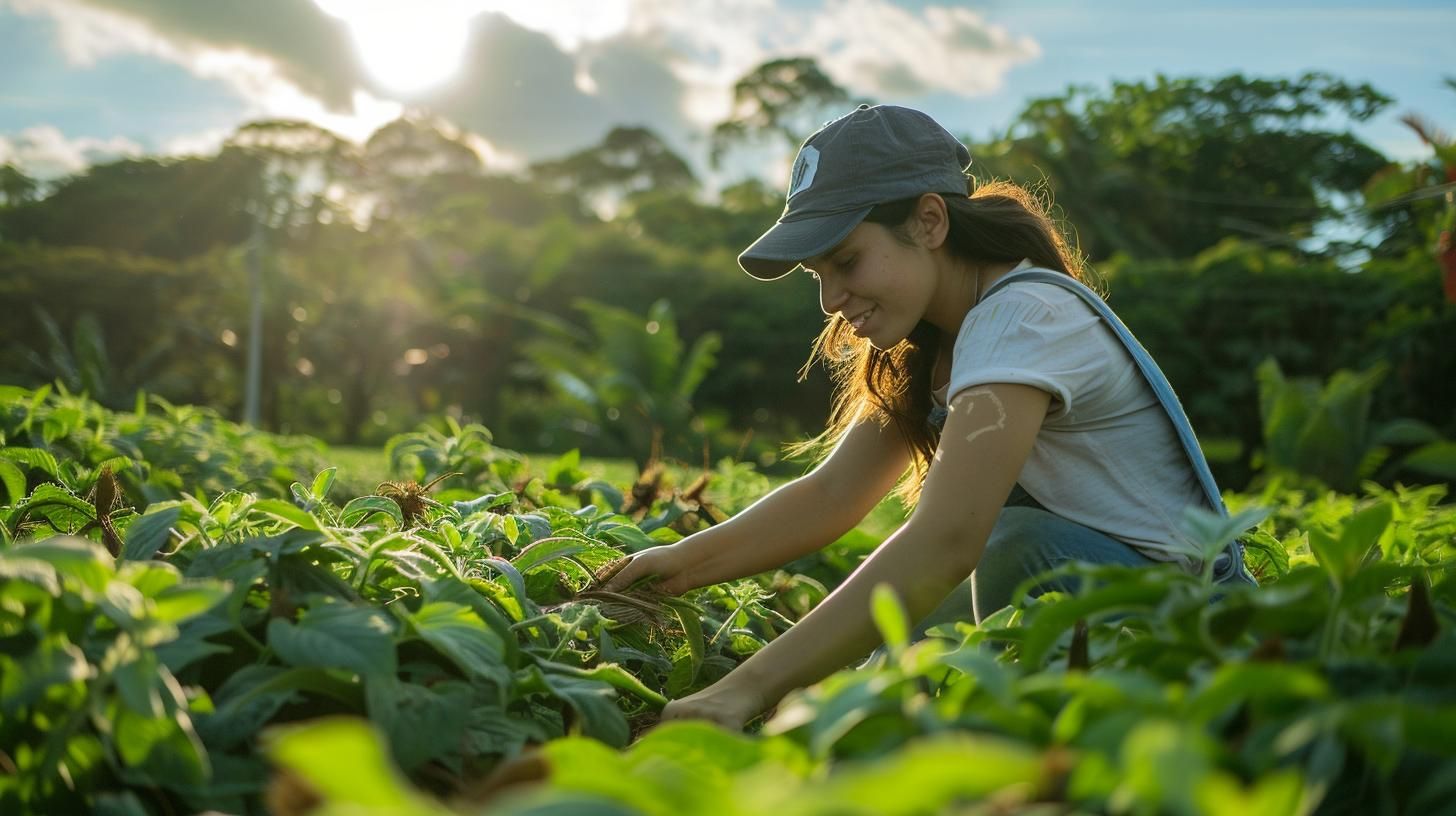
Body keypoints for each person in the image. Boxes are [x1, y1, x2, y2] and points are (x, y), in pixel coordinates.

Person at [599, 104, 1255, 730]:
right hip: (1112, 596)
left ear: (930, 222)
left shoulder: (1022, 316)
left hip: (1198, 629)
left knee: (1005, 546)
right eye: (816, 274)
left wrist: (740, 689)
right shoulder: (943, 341)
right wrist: (673, 567)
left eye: (847, 261)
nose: (832, 299)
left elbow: (950, 539)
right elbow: (832, 495)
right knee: (882, 664)